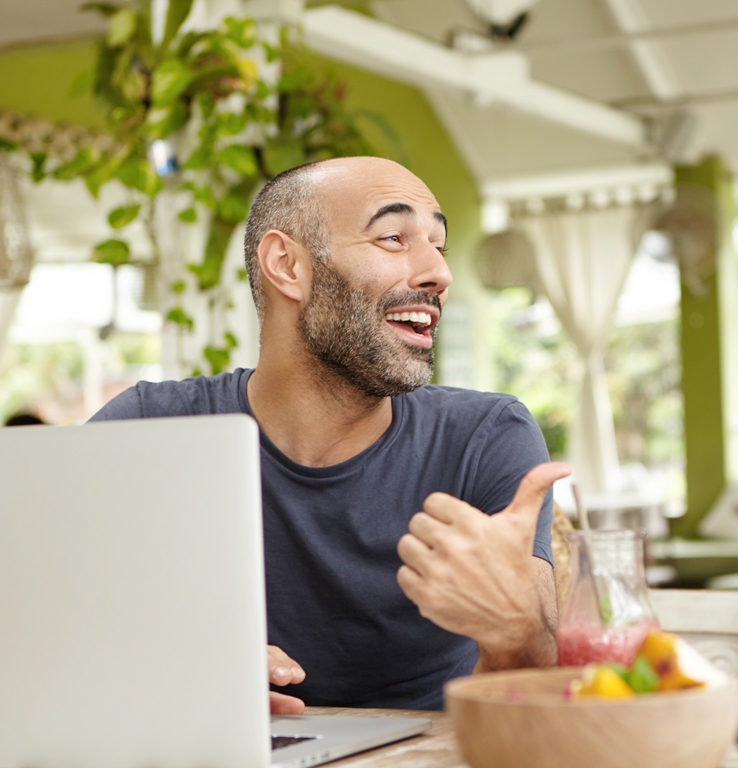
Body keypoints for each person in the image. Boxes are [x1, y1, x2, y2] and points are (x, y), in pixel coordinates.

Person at [91, 156, 569, 712]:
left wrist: (513, 625)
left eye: (437, 244)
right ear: (287, 265)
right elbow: (31, 612)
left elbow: (540, 696)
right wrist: (176, 669)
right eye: (394, 237)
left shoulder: (485, 437)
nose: (440, 271)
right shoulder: (148, 429)